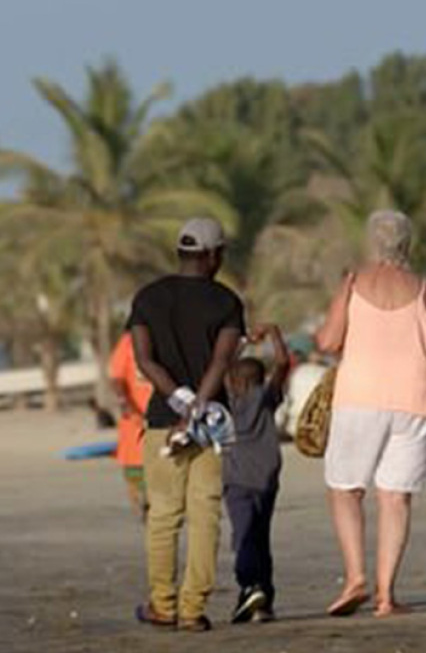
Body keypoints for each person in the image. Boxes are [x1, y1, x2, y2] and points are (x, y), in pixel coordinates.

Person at [315, 210, 426, 619]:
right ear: (407, 245)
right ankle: (385, 597)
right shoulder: (425, 289)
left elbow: (327, 340)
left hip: (359, 397)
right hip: (415, 399)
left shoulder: (354, 282)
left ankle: (356, 576)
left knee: (345, 488)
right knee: (395, 497)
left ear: (371, 243)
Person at [129, 217, 245, 633]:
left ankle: (162, 604)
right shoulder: (227, 302)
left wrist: (178, 401)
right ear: (213, 255)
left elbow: (145, 360)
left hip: (163, 423)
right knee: (205, 516)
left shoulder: (147, 298)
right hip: (211, 427)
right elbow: (221, 361)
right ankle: (192, 609)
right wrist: (197, 408)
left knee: (162, 515)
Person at [223, 324, 291, 624]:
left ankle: (251, 586)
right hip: (267, 479)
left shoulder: (227, 404)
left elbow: (221, 367)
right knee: (261, 536)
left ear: (234, 382)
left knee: (244, 537)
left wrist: (241, 342)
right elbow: (284, 364)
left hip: (237, 481)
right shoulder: (266, 399)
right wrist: (274, 334)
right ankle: (263, 601)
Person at [109, 330, 155, 520]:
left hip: (168, 417)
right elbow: (117, 377)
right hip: (136, 419)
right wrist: (125, 402)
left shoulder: (170, 333)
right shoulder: (128, 341)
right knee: (136, 468)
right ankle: (143, 506)